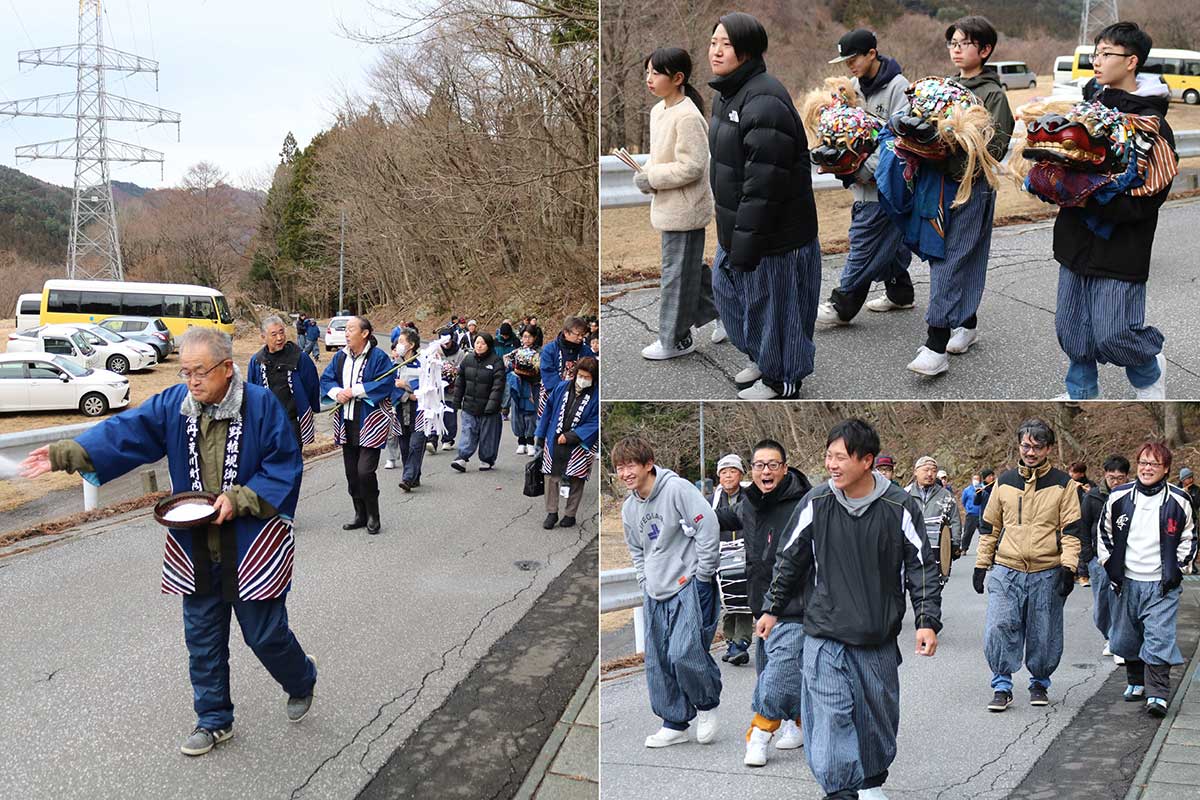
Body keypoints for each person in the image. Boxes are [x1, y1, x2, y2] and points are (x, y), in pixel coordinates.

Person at [19, 327, 317, 756]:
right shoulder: (174, 407)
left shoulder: (263, 407)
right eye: (185, 372)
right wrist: (63, 454)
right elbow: (126, 430)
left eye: (200, 372)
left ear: (227, 368)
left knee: (264, 634)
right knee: (202, 637)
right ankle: (214, 720)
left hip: (251, 543)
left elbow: (283, 464)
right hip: (194, 544)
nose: (192, 381)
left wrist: (240, 498)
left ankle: (301, 678)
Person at [760, 418, 940, 800]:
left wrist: (926, 622)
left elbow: (922, 566)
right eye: (828, 456)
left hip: (876, 636)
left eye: (841, 457)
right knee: (828, 714)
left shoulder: (898, 505)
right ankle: (840, 790)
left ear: (867, 461)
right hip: (824, 633)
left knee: (876, 719)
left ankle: (871, 782)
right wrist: (771, 608)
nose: (832, 465)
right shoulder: (817, 502)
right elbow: (789, 558)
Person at [1053, 21, 1173, 400]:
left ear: (1132, 61)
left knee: (1114, 333)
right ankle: (1081, 392)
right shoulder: (1086, 110)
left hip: (1122, 243)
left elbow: (1154, 190)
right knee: (1071, 330)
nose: (1097, 61)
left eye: (1107, 54)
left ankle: (1148, 370)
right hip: (1074, 236)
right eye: (1096, 53)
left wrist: (1098, 198)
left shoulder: (1151, 124)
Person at [708, 12, 821, 400]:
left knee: (778, 311)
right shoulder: (726, 95)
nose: (717, 50)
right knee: (729, 294)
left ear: (748, 50)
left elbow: (764, 185)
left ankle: (783, 378)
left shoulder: (765, 99)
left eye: (726, 43)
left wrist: (746, 242)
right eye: (713, 42)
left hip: (776, 234)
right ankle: (762, 357)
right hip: (738, 228)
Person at [906, 16, 1015, 376]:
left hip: (971, 187)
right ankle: (966, 323)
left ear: (984, 50)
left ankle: (935, 343)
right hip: (937, 186)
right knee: (948, 256)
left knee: (952, 260)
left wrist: (956, 143)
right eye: (952, 41)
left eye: (965, 42)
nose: (956, 48)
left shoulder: (992, 94)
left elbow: (995, 147)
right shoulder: (944, 87)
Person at [616, 435, 721, 748]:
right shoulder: (628, 508)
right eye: (620, 468)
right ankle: (674, 721)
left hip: (687, 582)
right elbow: (636, 549)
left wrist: (703, 575)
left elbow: (708, 526)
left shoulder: (676, 489)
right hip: (655, 589)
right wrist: (644, 582)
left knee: (684, 651)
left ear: (648, 465)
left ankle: (706, 705)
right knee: (659, 660)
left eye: (630, 465)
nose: (624, 473)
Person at [712, 440, 812, 767]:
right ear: (751, 470)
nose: (765, 471)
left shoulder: (803, 503)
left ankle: (759, 733)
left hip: (795, 603)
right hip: (761, 602)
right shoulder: (750, 502)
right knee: (772, 670)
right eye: (758, 465)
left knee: (780, 669)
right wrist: (689, 515)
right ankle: (797, 723)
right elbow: (724, 518)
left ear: (784, 468)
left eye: (772, 465)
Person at [974, 418, 1082, 711]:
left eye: (1037, 446)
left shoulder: (1064, 485)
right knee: (999, 625)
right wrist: (981, 565)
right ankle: (1001, 684)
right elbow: (990, 526)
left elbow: (1071, 531)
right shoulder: (1004, 482)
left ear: (1048, 449)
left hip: (1046, 570)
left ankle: (1039, 683)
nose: (1030, 452)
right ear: (1018, 445)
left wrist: (1068, 568)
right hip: (1007, 568)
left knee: (1043, 631)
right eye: (1025, 445)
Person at [815, 28, 915, 326]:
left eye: (853, 58)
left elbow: (899, 141)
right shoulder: (852, 88)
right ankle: (900, 292)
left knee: (864, 239)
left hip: (887, 184)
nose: (850, 65)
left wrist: (864, 170)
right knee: (890, 238)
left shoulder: (900, 88)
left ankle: (843, 303)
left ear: (872, 53)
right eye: (845, 60)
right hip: (860, 181)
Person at [634, 46, 718, 361]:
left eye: (656, 72)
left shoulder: (688, 116)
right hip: (668, 205)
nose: (649, 79)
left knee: (676, 274)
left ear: (678, 78)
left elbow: (693, 167)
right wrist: (650, 177)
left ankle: (676, 339)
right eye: (647, 72)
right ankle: (725, 315)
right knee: (688, 270)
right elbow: (664, 160)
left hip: (686, 209)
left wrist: (652, 177)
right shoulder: (659, 111)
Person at [1099, 442, 1196, 716]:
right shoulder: (1119, 497)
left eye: (1154, 464)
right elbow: (1104, 533)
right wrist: (1109, 565)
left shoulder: (1178, 500)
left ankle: (1158, 695)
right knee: (1127, 637)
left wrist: (1178, 569)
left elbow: (1188, 538)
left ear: (1166, 469)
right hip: (1126, 580)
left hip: (1161, 583)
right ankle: (1135, 681)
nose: (1147, 468)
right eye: (1143, 462)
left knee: (1158, 637)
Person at [320, 316, 394, 535]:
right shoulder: (340, 357)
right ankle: (359, 514)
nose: (346, 332)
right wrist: (337, 393)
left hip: (370, 421)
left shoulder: (379, 357)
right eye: (346, 329)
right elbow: (326, 380)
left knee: (365, 471)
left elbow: (386, 382)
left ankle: (373, 515)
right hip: (347, 420)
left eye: (351, 329)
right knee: (351, 472)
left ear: (365, 333)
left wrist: (355, 390)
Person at [536, 356, 598, 529]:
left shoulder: (596, 395)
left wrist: (572, 436)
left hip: (580, 443)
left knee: (576, 478)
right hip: (554, 437)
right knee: (550, 476)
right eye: (581, 375)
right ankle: (551, 512)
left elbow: (595, 422)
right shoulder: (562, 387)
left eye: (587, 377)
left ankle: (570, 514)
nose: (583, 379)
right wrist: (541, 435)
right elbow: (547, 411)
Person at [246, 315, 321, 450]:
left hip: (293, 420)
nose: (279, 338)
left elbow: (312, 386)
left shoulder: (299, 357)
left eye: (281, 332)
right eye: (273, 334)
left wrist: (307, 408)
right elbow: (252, 392)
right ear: (263, 337)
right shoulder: (257, 361)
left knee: (293, 462)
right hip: (268, 422)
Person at [1080, 454, 1130, 655]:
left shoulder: (1132, 497)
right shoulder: (1092, 497)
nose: (1116, 482)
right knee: (1102, 604)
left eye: (1120, 478)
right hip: (1098, 559)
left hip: (1125, 558)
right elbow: (1082, 528)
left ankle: (1117, 641)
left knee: (1121, 601)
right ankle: (1108, 633)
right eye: (1112, 477)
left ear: (1127, 477)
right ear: (1104, 475)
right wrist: (1087, 557)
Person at [707, 452, 751, 665]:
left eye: (732, 471)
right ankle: (731, 641)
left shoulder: (750, 497)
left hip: (745, 555)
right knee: (727, 600)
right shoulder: (712, 500)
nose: (728, 476)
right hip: (721, 555)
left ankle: (741, 642)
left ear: (740, 474)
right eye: (723, 472)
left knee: (742, 600)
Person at [451, 332, 506, 472]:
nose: (479, 346)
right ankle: (462, 458)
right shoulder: (468, 359)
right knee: (468, 432)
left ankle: (487, 459)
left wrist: (492, 405)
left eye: (482, 343)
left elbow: (498, 385)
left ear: (489, 345)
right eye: (477, 343)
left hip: (489, 407)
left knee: (488, 435)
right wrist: (456, 401)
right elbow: (460, 382)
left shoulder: (496, 361)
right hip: (469, 405)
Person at [906, 456, 962, 585]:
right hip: (911, 552)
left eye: (933, 470)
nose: (930, 474)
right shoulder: (905, 495)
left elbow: (954, 520)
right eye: (926, 470)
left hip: (936, 552)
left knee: (933, 592)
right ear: (915, 471)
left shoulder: (946, 496)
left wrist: (954, 544)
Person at [387, 329, 427, 492]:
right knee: (404, 446)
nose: (398, 344)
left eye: (402, 341)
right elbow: (390, 385)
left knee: (415, 445)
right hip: (400, 409)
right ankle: (413, 476)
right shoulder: (395, 364)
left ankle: (407, 477)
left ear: (411, 345)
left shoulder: (422, 363)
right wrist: (407, 394)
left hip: (419, 411)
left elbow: (426, 386)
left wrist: (406, 386)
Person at [539, 316, 595, 416]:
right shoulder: (549, 350)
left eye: (583, 335)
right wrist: (565, 395)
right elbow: (548, 375)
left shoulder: (586, 351)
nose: (581, 338)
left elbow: (592, 373)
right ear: (566, 332)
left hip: (579, 398)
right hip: (553, 396)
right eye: (577, 334)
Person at [506, 329, 542, 456]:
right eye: (524, 337)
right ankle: (521, 441)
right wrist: (513, 369)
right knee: (517, 413)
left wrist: (533, 370)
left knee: (531, 413)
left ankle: (530, 441)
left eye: (529, 337)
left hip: (532, 387)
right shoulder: (516, 352)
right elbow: (508, 365)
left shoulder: (539, 353)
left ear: (534, 338)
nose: (527, 339)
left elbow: (540, 370)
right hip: (518, 386)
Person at [433, 330, 466, 454]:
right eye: (443, 342)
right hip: (436, 389)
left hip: (451, 389)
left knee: (450, 415)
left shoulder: (460, 353)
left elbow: (462, 371)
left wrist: (454, 380)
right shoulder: (435, 351)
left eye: (448, 342)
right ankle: (432, 439)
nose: (445, 345)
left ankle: (448, 439)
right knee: (435, 414)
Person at [494, 321, 520, 421]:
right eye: (503, 335)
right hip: (498, 368)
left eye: (506, 335)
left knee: (508, 390)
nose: (504, 337)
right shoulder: (495, 341)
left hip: (511, 369)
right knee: (498, 389)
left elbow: (518, 355)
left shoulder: (515, 341)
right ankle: (497, 408)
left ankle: (505, 410)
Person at [960, 473, 986, 555]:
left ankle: (984, 549)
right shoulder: (967, 490)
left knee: (984, 533)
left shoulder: (983, 488)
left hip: (982, 513)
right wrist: (969, 508)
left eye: (977, 479)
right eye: (974, 479)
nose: (976, 481)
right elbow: (963, 501)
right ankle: (964, 548)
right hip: (972, 514)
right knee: (968, 532)